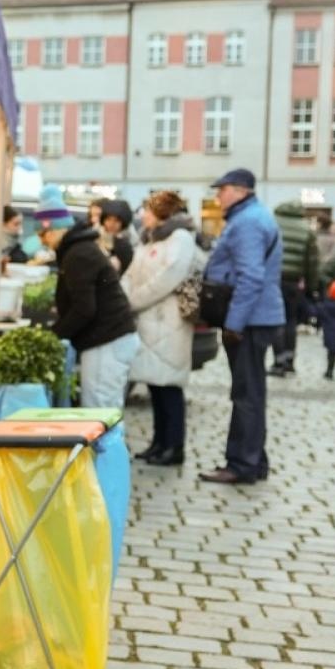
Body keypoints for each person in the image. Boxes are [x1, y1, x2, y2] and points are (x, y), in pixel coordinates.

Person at [198, 168, 284, 486]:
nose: (218, 196)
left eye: (222, 190)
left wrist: (234, 323)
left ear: (240, 191)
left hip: (250, 319)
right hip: (257, 316)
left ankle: (242, 464)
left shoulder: (247, 222)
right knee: (251, 392)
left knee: (246, 394)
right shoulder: (252, 217)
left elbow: (251, 276)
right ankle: (254, 459)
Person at [33, 185, 138, 408]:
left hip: (107, 340)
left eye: (42, 234)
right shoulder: (78, 249)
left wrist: (53, 335)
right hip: (108, 338)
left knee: (100, 408)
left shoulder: (77, 253)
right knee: (104, 407)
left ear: (53, 229)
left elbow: (84, 308)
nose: (42, 241)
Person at [123, 192, 198, 466]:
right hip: (147, 321)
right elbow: (132, 273)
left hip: (168, 322)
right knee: (154, 385)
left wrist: (135, 299)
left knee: (169, 386)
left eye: (148, 210)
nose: (143, 215)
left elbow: (167, 277)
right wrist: (125, 295)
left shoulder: (180, 239)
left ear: (162, 212)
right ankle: (158, 441)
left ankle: (174, 445)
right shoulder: (149, 239)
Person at [269, 200, 319, 377]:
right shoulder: (306, 229)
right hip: (293, 281)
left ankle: (278, 360)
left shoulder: (273, 223)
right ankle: (290, 360)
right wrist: (312, 287)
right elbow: (312, 261)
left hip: (273, 278)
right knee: (291, 320)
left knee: (276, 320)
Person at [97, 200, 135, 274]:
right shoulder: (96, 238)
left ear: (123, 222)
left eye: (116, 221)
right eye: (108, 219)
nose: (111, 224)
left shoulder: (126, 244)